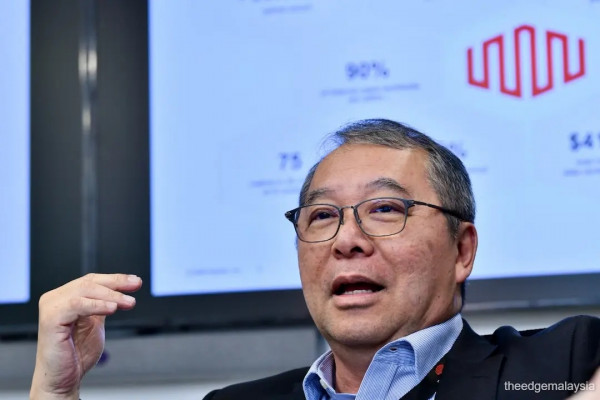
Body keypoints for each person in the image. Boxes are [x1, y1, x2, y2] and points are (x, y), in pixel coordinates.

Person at [30, 119, 599, 400]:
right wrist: (56, 391)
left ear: (462, 250)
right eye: (322, 216)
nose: (346, 240)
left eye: (385, 209)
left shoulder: (561, 367)